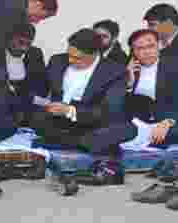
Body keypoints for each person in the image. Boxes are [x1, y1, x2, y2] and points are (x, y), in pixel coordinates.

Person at [30, 29, 131, 183]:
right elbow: (40, 90)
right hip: (57, 120)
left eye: (77, 58)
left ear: (95, 54)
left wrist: (70, 110)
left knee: (128, 128)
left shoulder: (115, 71)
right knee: (36, 118)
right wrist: (41, 101)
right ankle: (86, 144)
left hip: (91, 121)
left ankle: (69, 142)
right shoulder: (57, 61)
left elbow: (109, 110)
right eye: (69, 55)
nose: (70, 60)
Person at [124, 29, 178, 148]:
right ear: (133, 51)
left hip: (173, 120)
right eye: (140, 48)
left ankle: (147, 140)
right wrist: (129, 83)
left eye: (151, 46)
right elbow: (120, 106)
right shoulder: (128, 70)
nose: (147, 52)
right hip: (139, 123)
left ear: (159, 46)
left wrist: (168, 121)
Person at [0, 23, 47, 121]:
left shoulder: (35, 54)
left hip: (26, 106)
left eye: (28, 44)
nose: (24, 48)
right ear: (9, 38)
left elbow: (42, 86)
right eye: (20, 42)